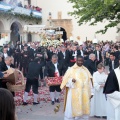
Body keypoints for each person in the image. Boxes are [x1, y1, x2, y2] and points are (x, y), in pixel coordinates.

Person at [60, 55, 93, 120]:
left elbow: (90, 81)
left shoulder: (85, 70)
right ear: (76, 60)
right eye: (79, 61)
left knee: (83, 112)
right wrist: (71, 80)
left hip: (84, 94)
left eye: (81, 61)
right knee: (72, 111)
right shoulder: (71, 70)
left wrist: (92, 92)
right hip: (74, 94)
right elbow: (65, 81)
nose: (80, 62)